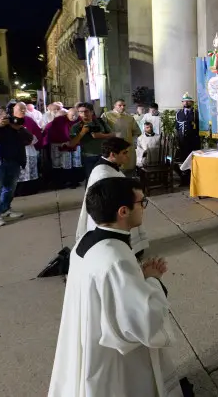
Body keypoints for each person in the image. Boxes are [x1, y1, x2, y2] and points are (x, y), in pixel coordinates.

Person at [48, 177, 189, 397]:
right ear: (123, 211)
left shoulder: (87, 240)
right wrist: (153, 280)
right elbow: (141, 321)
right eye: (142, 203)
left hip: (89, 333)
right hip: (114, 356)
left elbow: (104, 288)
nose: (144, 208)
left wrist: (136, 278)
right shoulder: (116, 258)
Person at [76, 137, 149, 257]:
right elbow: (108, 202)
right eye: (124, 153)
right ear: (112, 154)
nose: (128, 157)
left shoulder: (109, 167)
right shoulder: (103, 173)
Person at [69, 102, 115, 182]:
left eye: (86, 111)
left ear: (92, 112)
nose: (84, 114)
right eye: (81, 112)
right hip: (88, 157)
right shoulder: (76, 126)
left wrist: (100, 136)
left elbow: (113, 134)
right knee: (91, 180)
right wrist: (82, 132)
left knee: (105, 179)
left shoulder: (100, 122)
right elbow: (72, 143)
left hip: (104, 155)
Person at [43, 108, 83, 189]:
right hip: (58, 146)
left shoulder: (79, 120)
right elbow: (56, 133)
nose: (74, 117)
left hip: (73, 145)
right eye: (72, 115)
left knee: (74, 163)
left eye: (76, 115)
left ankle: (73, 181)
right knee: (60, 164)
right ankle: (61, 182)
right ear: (67, 115)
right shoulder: (59, 121)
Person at [102, 99, 141, 174]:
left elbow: (137, 132)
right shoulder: (107, 115)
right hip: (113, 148)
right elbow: (102, 131)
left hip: (128, 146)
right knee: (114, 170)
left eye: (124, 105)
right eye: (120, 105)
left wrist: (133, 141)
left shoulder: (129, 118)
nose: (122, 107)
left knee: (128, 168)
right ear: (114, 106)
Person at [14, 102, 45, 190]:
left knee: (31, 169)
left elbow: (37, 132)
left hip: (30, 148)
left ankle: (31, 188)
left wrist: (33, 139)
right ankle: (20, 189)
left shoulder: (29, 119)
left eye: (25, 109)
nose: (23, 111)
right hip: (17, 150)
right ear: (14, 110)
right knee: (19, 171)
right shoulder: (11, 120)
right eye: (21, 109)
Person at [176, 92, 200, 162]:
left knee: (193, 159)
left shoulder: (196, 113)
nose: (186, 103)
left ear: (192, 102)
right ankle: (184, 172)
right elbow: (177, 127)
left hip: (193, 141)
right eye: (184, 101)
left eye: (188, 101)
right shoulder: (178, 113)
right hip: (182, 141)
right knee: (183, 158)